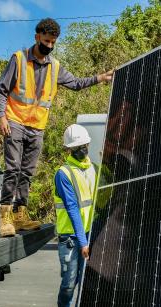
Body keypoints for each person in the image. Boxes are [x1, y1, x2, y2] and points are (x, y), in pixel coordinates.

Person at [0, 18, 113, 236]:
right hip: (14, 121)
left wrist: (100, 78)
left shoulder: (55, 66)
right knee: (13, 169)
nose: (49, 46)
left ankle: (20, 215)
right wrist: (1, 117)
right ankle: (5, 217)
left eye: (53, 43)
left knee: (27, 171)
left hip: (37, 127)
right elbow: (0, 91)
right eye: (46, 41)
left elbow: (76, 84)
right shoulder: (19, 60)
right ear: (37, 36)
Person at [54, 124, 96, 307]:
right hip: (71, 238)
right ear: (70, 149)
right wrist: (83, 241)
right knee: (69, 284)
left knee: (83, 279)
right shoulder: (63, 173)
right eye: (78, 147)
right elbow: (72, 208)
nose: (82, 150)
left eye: (84, 145)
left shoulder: (94, 168)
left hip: (89, 233)